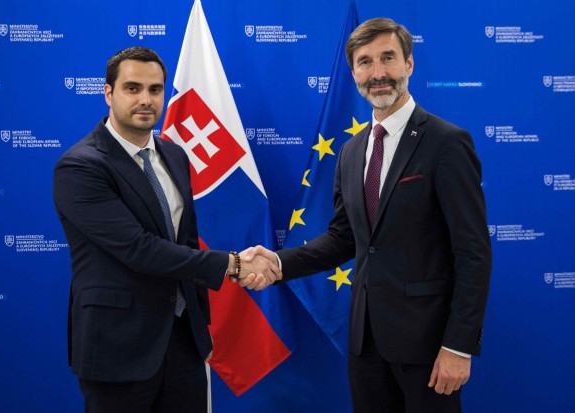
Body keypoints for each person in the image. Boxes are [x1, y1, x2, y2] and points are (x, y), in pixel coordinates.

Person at [247, 18, 491, 413]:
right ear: (354, 72)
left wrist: (458, 346)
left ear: (408, 64)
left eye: (387, 58)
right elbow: (343, 238)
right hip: (365, 344)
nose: (377, 73)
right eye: (365, 62)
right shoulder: (351, 151)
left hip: (429, 346)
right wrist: (278, 262)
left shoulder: (446, 142)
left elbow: (473, 253)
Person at [53, 46, 279, 413]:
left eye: (155, 89)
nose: (146, 99)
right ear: (108, 93)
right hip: (117, 347)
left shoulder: (174, 155)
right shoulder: (81, 166)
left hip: (183, 343)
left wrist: (200, 329)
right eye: (132, 88)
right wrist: (235, 264)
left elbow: (186, 241)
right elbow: (139, 249)